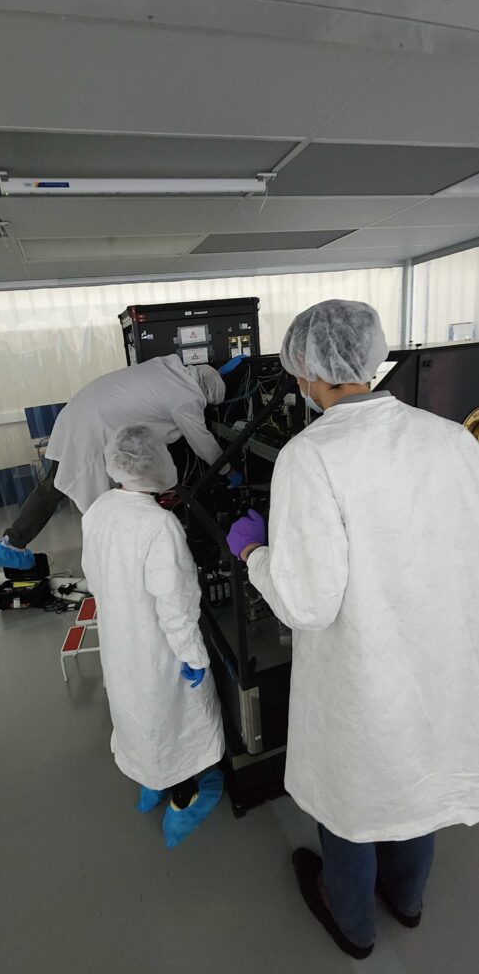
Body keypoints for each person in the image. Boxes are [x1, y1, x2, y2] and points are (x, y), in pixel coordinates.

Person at [227, 299, 479, 959]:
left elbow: (305, 602)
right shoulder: (452, 440)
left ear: (307, 369)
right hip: (437, 661)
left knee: (354, 798)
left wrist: (254, 553)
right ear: (369, 358)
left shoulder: (311, 457)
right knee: (416, 779)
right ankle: (408, 900)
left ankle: (354, 926)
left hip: (362, 673)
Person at [81, 424, 225, 849]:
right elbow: (175, 605)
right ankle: (184, 797)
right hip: (157, 648)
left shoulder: (99, 509)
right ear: (158, 463)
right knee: (172, 717)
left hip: (119, 638)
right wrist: (193, 656)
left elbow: (93, 577)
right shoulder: (158, 525)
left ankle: (151, 782)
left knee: (136, 714)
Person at [0, 355, 239, 568]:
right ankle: (118, 562)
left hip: (77, 413)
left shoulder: (170, 368)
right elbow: (204, 444)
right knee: (90, 498)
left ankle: (11, 544)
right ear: (205, 394)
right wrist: (229, 471)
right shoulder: (187, 397)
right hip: (92, 429)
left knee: (54, 485)